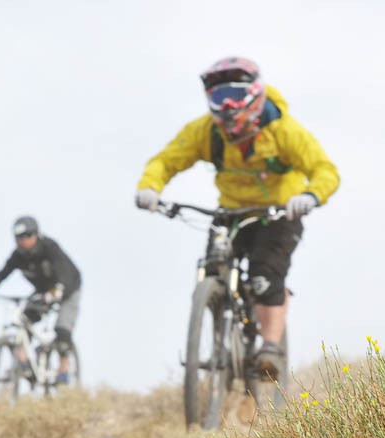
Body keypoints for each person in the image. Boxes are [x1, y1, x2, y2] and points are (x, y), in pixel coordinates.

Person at [134, 56, 339, 380]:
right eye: (217, 96)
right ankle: (217, 315)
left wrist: (310, 196)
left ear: (255, 94)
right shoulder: (205, 131)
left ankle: (270, 346)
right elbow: (166, 161)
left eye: (234, 94)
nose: (226, 104)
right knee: (214, 264)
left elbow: (324, 170)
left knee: (264, 277)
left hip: (279, 212)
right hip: (229, 212)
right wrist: (149, 188)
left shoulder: (284, 130)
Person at [0, 216, 81, 384]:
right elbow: (3, 273)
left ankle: (63, 370)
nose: (22, 241)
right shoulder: (19, 256)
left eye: (26, 237)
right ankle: (23, 360)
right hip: (43, 292)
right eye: (18, 238)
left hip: (69, 289)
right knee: (24, 320)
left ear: (36, 235)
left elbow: (64, 271)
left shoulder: (49, 248)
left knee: (62, 330)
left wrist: (59, 289)